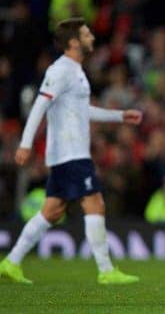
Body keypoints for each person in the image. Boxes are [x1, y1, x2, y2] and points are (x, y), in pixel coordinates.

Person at [0, 18, 142, 285]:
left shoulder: (76, 71)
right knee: (95, 203)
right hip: (70, 153)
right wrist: (25, 143)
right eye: (87, 34)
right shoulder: (60, 70)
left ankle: (11, 262)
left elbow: (82, 111)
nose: (92, 37)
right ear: (74, 42)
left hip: (68, 153)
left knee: (51, 211)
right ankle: (106, 271)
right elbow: (39, 107)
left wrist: (120, 116)